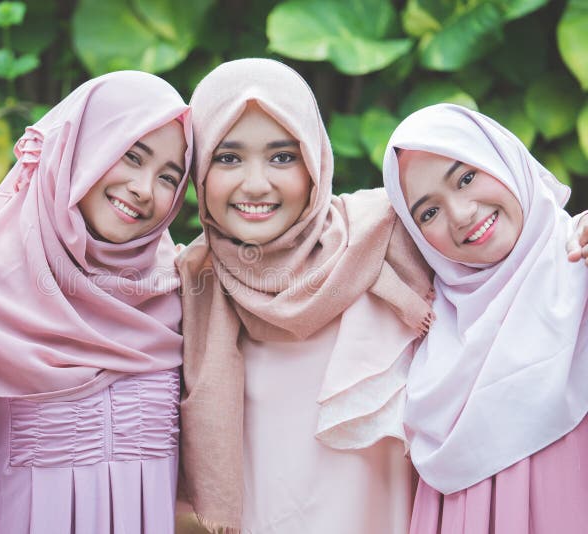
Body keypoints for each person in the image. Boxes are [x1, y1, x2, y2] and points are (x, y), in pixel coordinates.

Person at [0, 71, 192, 533]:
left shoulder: (178, 296)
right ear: (78, 148)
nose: (145, 188)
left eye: (168, 176)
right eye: (130, 155)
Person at [176, 58, 434, 534]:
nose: (256, 184)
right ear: (197, 169)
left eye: (282, 156)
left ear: (314, 161)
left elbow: (511, 257)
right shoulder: (187, 287)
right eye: (228, 157)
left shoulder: (387, 237)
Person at [382, 103, 588, 534]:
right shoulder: (425, 328)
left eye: (466, 177)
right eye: (428, 212)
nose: (461, 214)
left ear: (504, 158)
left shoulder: (581, 267)